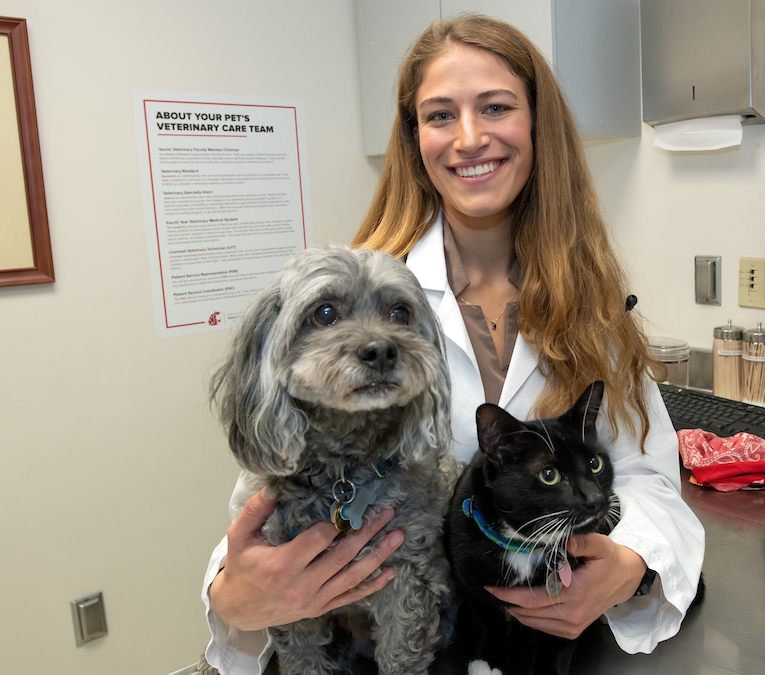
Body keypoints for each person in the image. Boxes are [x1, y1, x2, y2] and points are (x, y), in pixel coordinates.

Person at [201, 14, 705, 673]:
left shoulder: (591, 307)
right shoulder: (366, 299)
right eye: (440, 115)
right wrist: (232, 596)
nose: (469, 138)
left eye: (495, 106)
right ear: (415, 140)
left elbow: (648, 478)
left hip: (526, 640)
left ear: (536, 124)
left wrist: (631, 561)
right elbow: (274, 494)